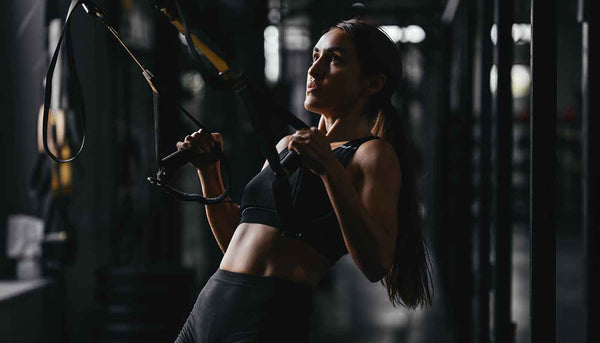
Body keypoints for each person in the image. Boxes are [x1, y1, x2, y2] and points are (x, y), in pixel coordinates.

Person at [174, 19, 432, 343]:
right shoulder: (287, 145)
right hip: (207, 310)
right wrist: (209, 172)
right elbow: (235, 245)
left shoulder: (372, 155)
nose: (315, 70)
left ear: (373, 83)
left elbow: (376, 263)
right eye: (315, 56)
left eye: (335, 59)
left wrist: (330, 170)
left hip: (265, 319)